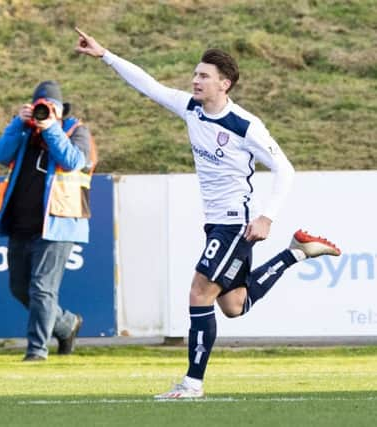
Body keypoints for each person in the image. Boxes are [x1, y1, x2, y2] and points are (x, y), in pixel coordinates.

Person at [74, 28, 341, 398]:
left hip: (234, 223)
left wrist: (266, 216)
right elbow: (148, 85)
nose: (195, 80)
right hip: (216, 222)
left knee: (199, 293)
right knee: (233, 305)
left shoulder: (246, 126)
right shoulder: (191, 109)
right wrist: (105, 54)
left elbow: (286, 169)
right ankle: (296, 252)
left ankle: (191, 384)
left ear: (224, 84)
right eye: (196, 74)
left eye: (204, 76)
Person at [0, 80, 95, 361]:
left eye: (50, 108)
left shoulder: (76, 131)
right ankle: (66, 324)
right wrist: (17, 123)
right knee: (19, 288)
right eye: (40, 107)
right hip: (21, 224)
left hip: (58, 223)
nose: (44, 112)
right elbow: (0, 155)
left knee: (42, 288)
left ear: (61, 111)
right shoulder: (24, 132)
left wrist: (51, 129)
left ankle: (37, 350)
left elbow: (73, 160)